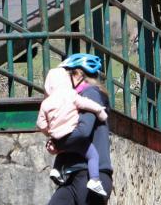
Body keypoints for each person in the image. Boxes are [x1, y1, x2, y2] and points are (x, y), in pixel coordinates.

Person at [37, 53, 136, 205]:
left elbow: (82, 133)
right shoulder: (71, 98)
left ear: (79, 75)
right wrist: (57, 143)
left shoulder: (91, 94)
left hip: (92, 176)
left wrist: (59, 143)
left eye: (68, 74)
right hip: (74, 176)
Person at [37, 67, 109, 196]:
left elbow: (40, 123)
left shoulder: (46, 103)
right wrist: (100, 111)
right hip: (73, 134)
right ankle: (94, 180)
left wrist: (48, 133)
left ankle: (56, 169)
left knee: (63, 149)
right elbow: (86, 104)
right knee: (93, 155)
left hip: (58, 137)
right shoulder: (71, 95)